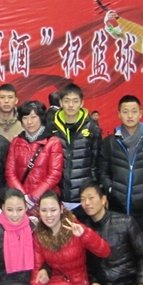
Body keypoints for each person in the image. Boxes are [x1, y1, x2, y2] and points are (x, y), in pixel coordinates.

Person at [29, 191, 110, 285]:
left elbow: (105, 251)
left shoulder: (75, 227)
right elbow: (37, 266)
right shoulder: (39, 235)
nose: (48, 215)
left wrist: (85, 235)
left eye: (53, 210)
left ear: (61, 209)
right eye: (44, 210)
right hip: (57, 284)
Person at [95, 95, 143, 250]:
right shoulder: (110, 143)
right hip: (116, 209)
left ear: (140, 113)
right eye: (125, 111)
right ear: (119, 114)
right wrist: (110, 189)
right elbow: (102, 171)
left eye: (134, 111)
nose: (130, 115)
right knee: (117, 253)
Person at [6, 100, 63, 215]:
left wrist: (34, 197)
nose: (29, 122)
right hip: (21, 202)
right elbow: (10, 172)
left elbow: (54, 175)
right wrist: (23, 197)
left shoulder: (53, 142)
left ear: (41, 118)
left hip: (46, 201)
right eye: (25, 118)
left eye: (33, 117)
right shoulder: (16, 142)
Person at [50, 83, 101, 212]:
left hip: (83, 198)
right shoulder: (52, 126)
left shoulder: (92, 127)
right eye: (67, 101)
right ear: (60, 103)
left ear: (82, 103)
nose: (71, 105)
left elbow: (96, 162)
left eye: (75, 101)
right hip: (58, 196)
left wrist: (93, 189)